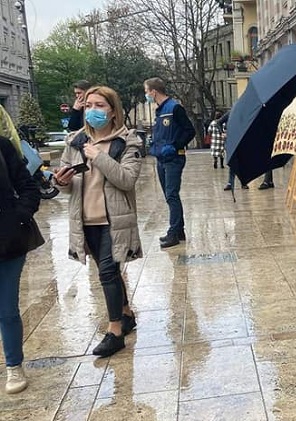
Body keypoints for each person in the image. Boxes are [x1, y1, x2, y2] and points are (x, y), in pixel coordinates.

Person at [53, 85, 143, 358]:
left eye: (100, 105)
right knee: (110, 271)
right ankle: (126, 313)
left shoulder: (127, 142)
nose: (92, 110)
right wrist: (61, 181)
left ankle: (115, 331)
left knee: (106, 272)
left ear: (113, 111)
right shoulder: (75, 141)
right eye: (89, 105)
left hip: (113, 220)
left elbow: (127, 179)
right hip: (85, 220)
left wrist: (99, 157)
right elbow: (67, 186)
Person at [0, 135, 42, 393]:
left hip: (7, 241)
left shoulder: (3, 146)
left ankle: (14, 365)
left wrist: (20, 217)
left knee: (6, 310)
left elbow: (28, 186)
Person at [144, 77, 196, 248]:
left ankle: (173, 233)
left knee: (172, 194)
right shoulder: (159, 111)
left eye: (146, 91)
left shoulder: (174, 108)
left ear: (154, 92)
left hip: (173, 158)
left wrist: (175, 146)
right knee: (169, 196)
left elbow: (190, 131)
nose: (146, 95)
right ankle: (179, 230)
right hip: (161, 158)